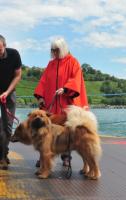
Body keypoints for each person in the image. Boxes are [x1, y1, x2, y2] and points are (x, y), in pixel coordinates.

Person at [34, 37, 88, 167]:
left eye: (56, 50)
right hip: (51, 106)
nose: (54, 53)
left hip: (66, 104)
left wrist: (65, 89)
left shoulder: (73, 62)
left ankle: (66, 157)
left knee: (66, 132)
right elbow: (43, 81)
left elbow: (76, 80)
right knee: (46, 131)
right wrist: (40, 96)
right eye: (52, 50)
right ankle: (44, 156)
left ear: (62, 49)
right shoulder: (51, 64)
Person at [0, 35, 22, 170]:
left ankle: (3, 155)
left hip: (8, 92)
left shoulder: (14, 55)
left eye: (0, 50)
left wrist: (7, 92)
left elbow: (18, 75)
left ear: (4, 45)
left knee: (7, 127)